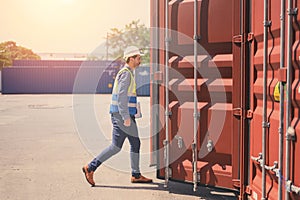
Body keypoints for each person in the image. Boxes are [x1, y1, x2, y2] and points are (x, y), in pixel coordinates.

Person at [82, 46, 152, 186]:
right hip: (121, 116)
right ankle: (90, 167)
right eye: (138, 58)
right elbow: (121, 97)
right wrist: (125, 116)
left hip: (126, 116)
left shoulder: (129, 73)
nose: (140, 60)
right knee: (116, 147)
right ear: (131, 59)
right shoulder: (126, 73)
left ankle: (136, 174)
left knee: (135, 143)